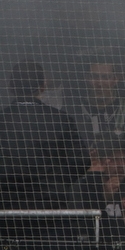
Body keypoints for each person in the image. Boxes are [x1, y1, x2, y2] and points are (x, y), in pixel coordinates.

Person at [0, 61, 89, 211]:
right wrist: (56, 182)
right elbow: (82, 161)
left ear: (11, 87)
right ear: (43, 87)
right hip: (51, 209)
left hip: (7, 208)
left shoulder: (2, 120)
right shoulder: (61, 120)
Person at [69, 134, 125, 220]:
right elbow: (86, 223)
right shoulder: (83, 187)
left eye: (124, 160)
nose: (121, 165)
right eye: (113, 160)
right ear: (101, 162)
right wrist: (105, 196)